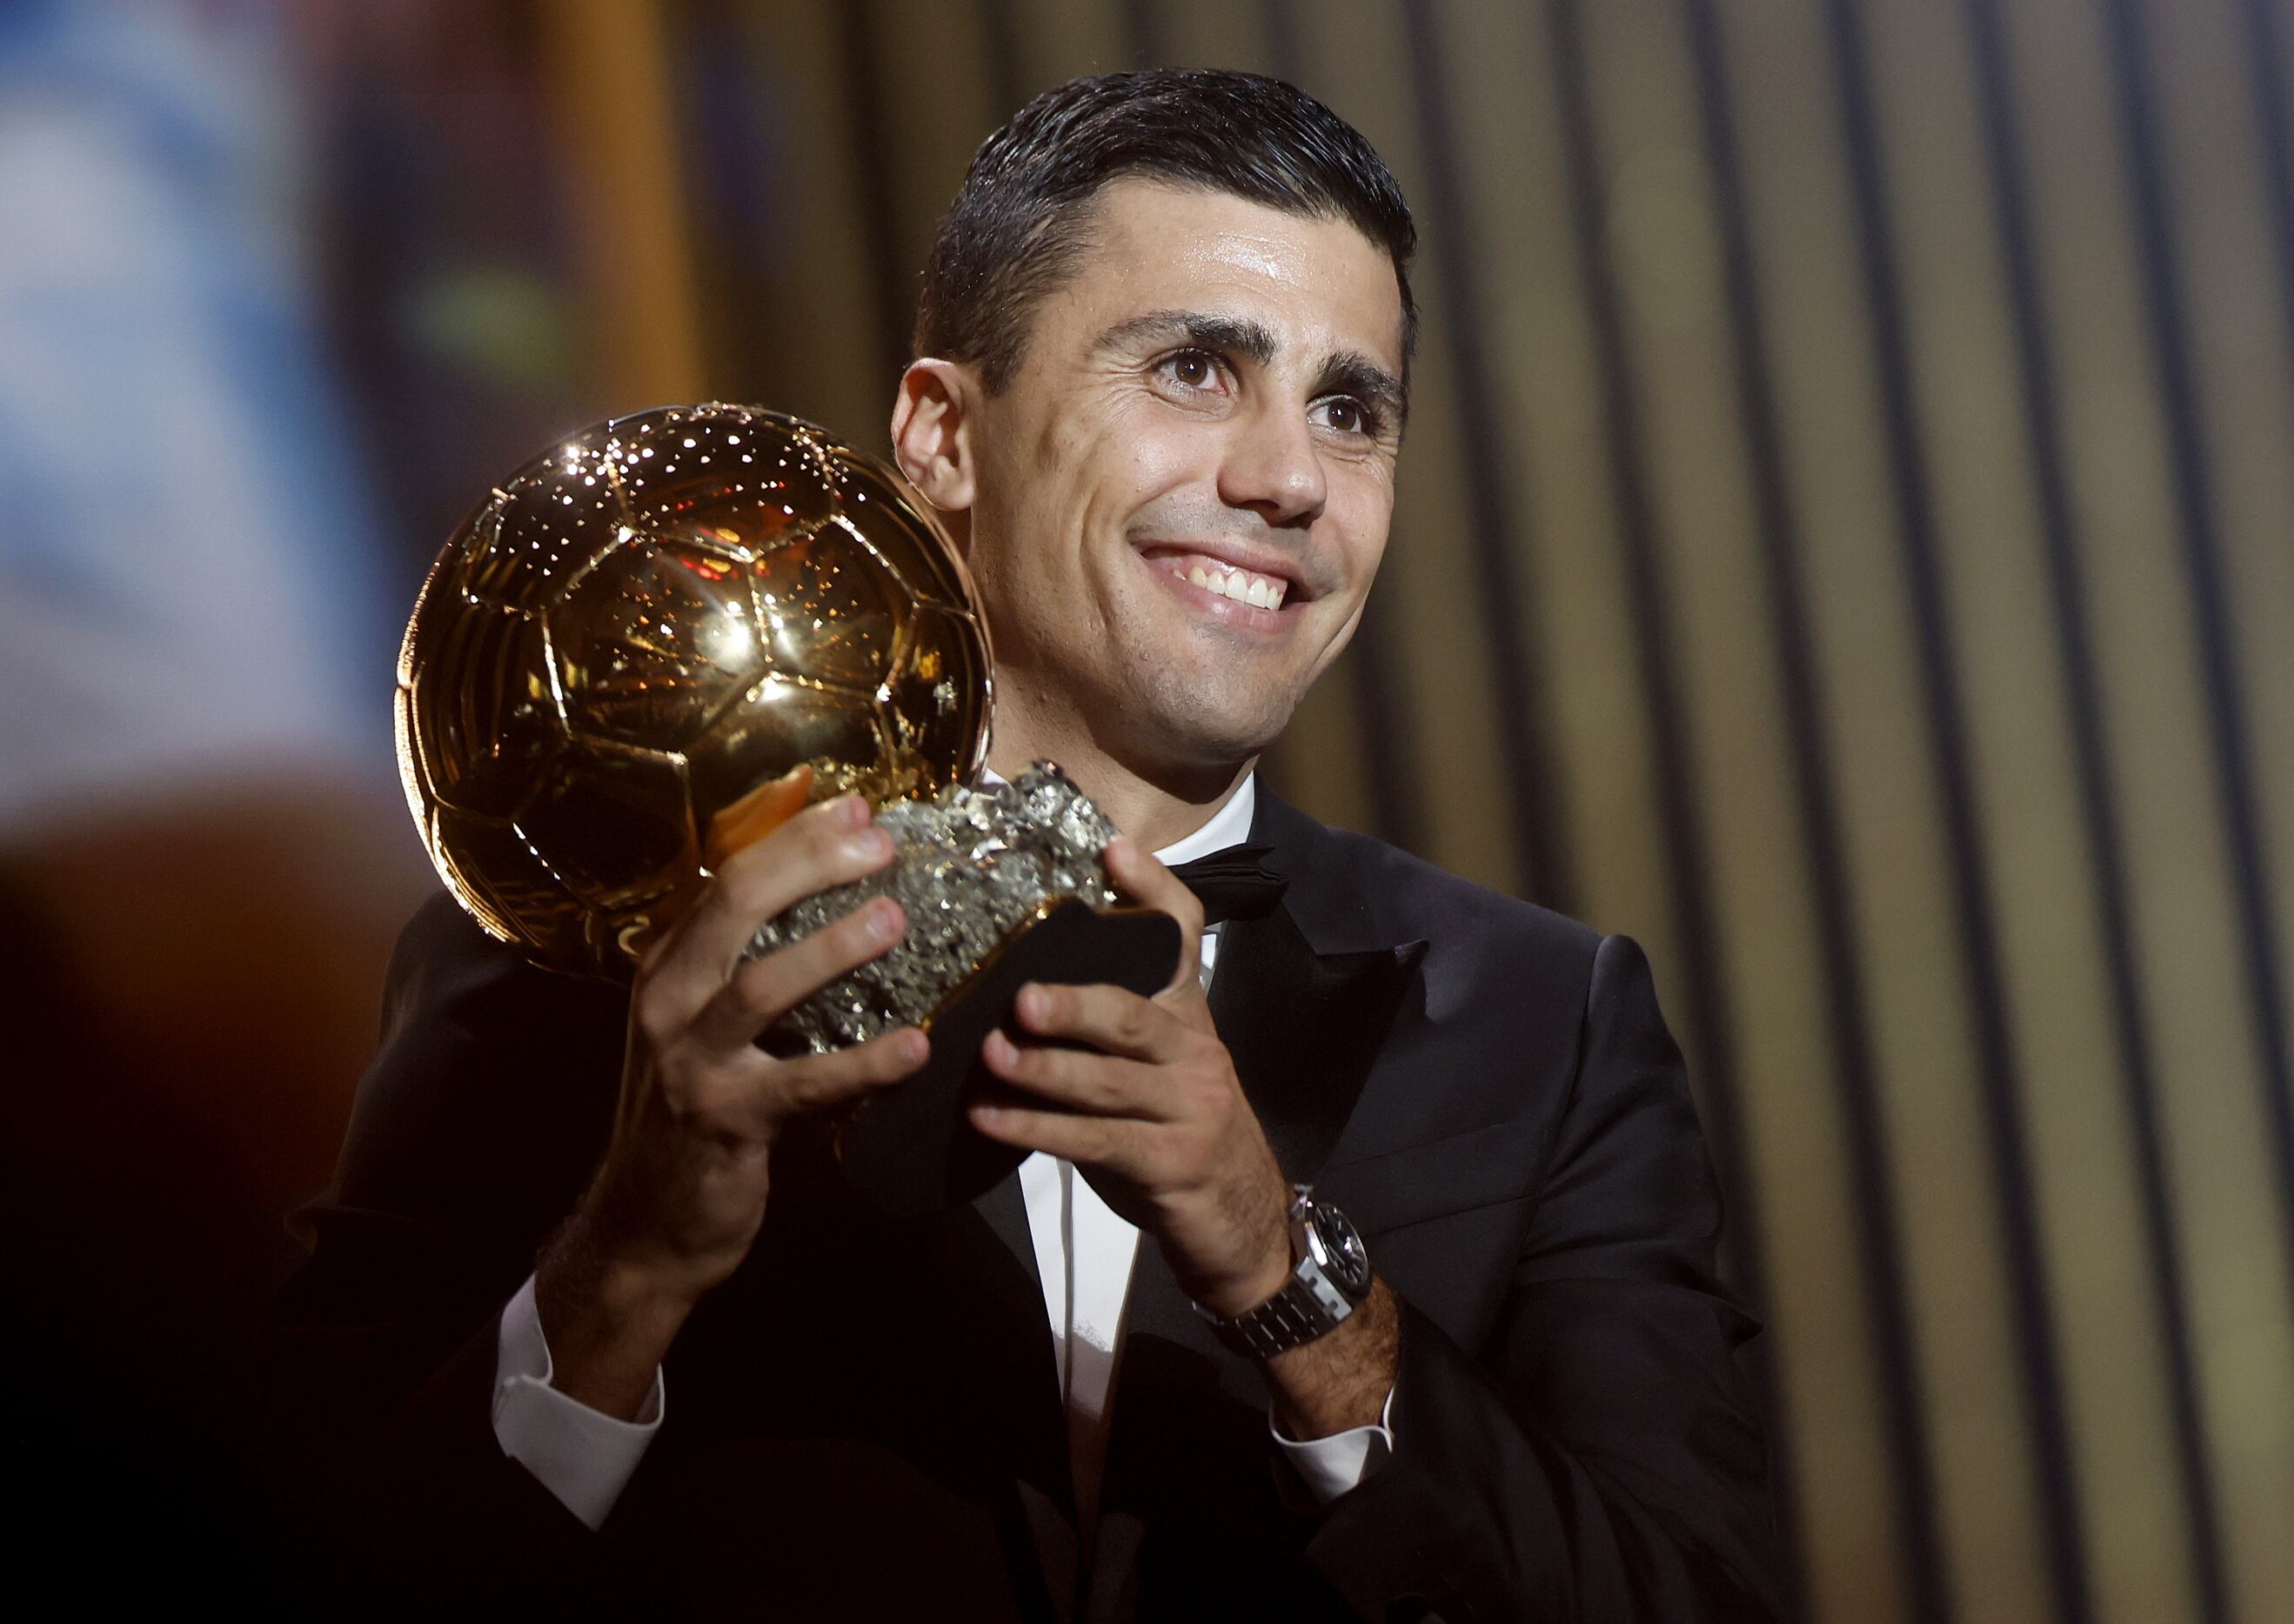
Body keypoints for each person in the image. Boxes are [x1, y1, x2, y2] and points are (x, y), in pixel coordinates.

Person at [269, 70, 1781, 1621]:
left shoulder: (1545, 1022)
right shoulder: (597, 954)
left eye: (1349, 409)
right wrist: (629, 1265)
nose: (1287, 480)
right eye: (1196, 370)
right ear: (940, 436)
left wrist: (1290, 1281)